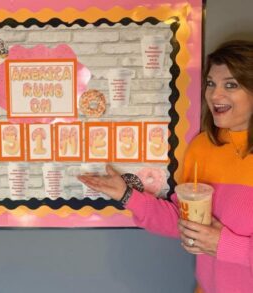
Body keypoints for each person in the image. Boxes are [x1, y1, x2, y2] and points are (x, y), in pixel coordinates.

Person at [78, 39, 253, 293]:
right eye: (211, 83)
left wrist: (224, 245)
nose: (215, 95)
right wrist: (126, 194)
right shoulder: (202, 147)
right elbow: (183, 221)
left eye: (231, 85)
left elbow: (217, 242)